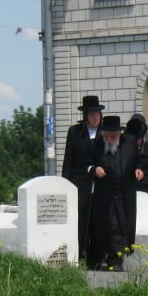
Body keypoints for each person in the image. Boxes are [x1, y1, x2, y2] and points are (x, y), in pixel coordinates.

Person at [87, 115, 143, 270]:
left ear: (119, 135)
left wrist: (139, 170)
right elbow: (87, 164)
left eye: (113, 136)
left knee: (121, 227)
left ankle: (117, 260)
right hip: (104, 196)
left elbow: (139, 162)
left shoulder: (130, 144)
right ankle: (103, 257)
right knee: (105, 227)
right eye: (108, 136)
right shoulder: (97, 145)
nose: (110, 139)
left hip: (124, 196)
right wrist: (94, 170)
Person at [61, 95, 103, 260]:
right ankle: (80, 253)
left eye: (97, 113)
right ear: (86, 115)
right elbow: (68, 161)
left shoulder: (106, 132)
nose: (95, 117)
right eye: (92, 114)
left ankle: (98, 256)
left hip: (100, 183)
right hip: (80, 183)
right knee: (81, 220)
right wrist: (66, 184)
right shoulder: (75, 132)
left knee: (97, 220)